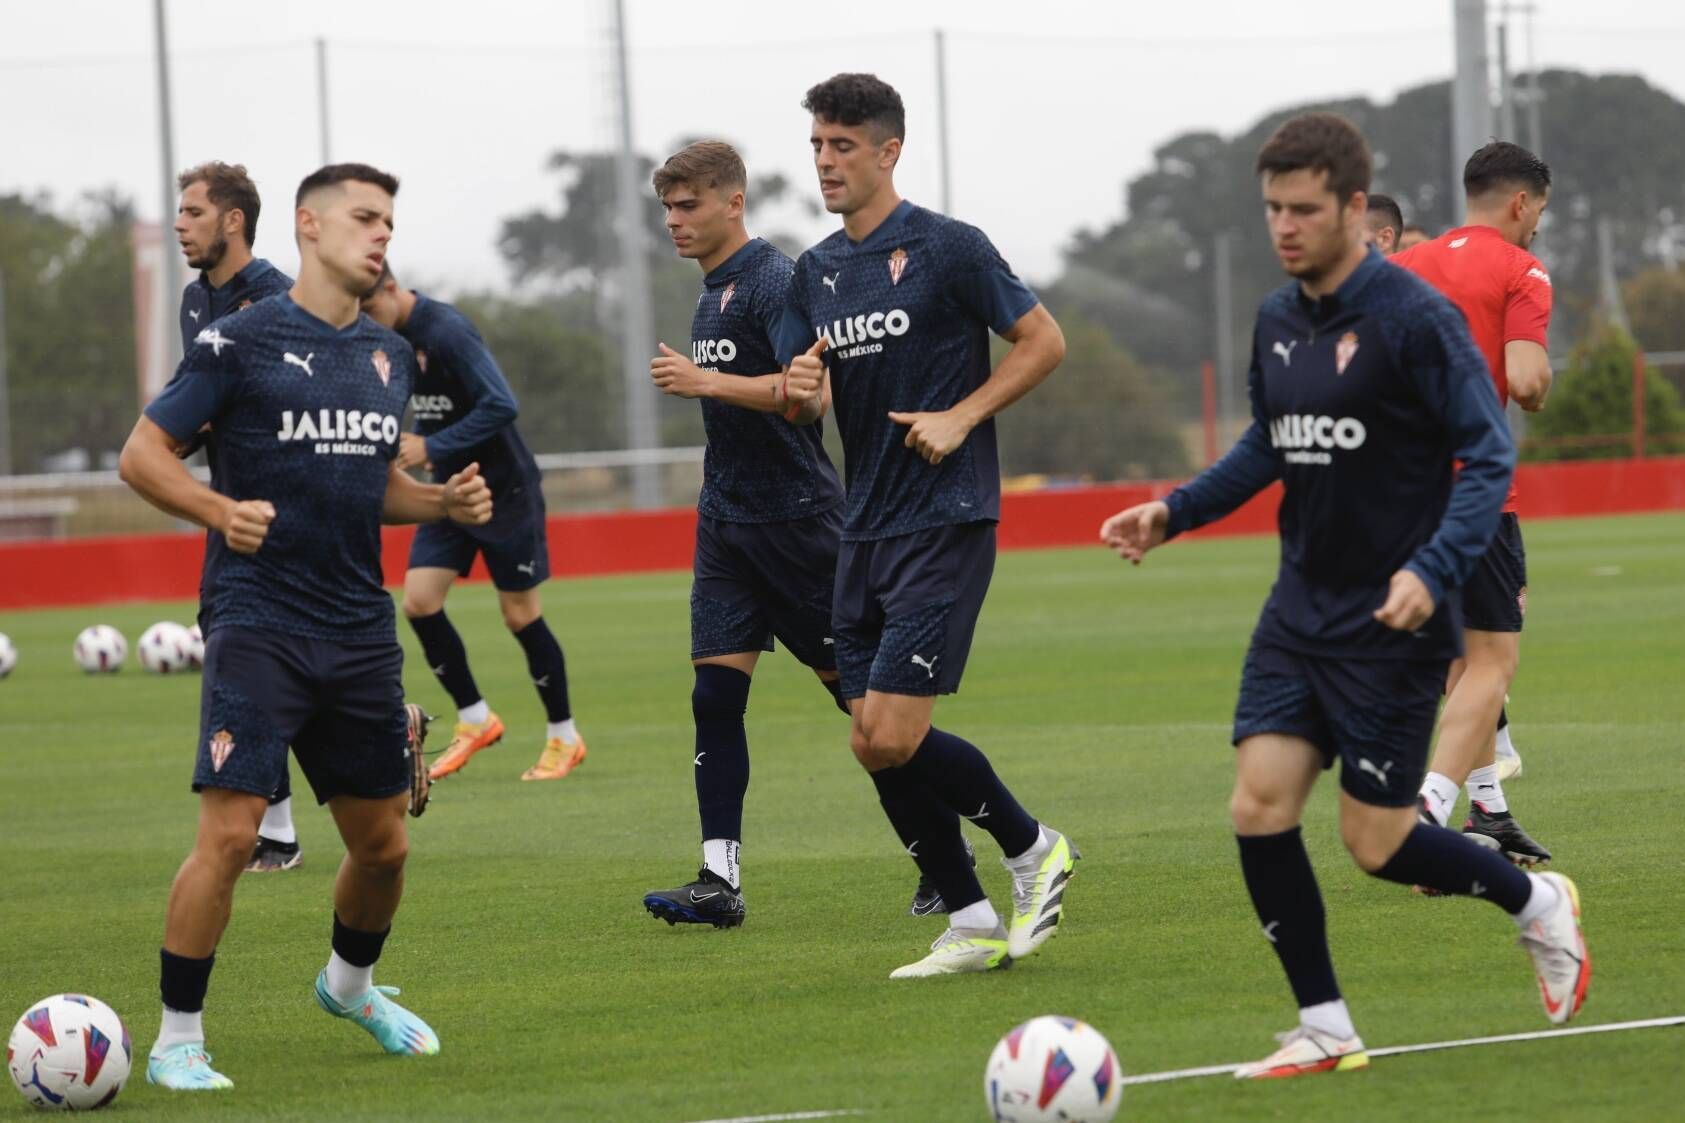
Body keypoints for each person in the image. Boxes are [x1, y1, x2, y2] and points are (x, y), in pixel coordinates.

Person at [1099, 113, 1588, 1078]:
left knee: (1378, 842)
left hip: (1396, 618)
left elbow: (1488, 453)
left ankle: (1538, 905)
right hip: (1299, 610)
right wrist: (1175, 510)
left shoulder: (1414, 318)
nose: (1284, 226)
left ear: (1356, 210)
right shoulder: (1279, 320)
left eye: (1305, 209)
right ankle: (1324, 1022)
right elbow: (1267, 442)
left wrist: (1433, 567)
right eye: (1273, 208)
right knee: (1257, 803)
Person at [119, 163, 493, 1091]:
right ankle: (176, 1037)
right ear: (309, 227)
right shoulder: (236, 341)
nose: (381, 236)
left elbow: (371, 485)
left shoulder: (389, 357)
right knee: (234, 835)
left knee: (383, 846)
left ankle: (349, 985)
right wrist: (217, 513)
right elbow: (141, 453)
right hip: (257, 618)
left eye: (389, 222)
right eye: (365, 218)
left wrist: (438, 497)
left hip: (358, 627)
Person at [776, 74, 1077, 978]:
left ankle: (1032, 849)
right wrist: (798, 394)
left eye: (841, 145)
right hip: (861, 527)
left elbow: (1043, 340)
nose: (825, 162)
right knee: (868, 737)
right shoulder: (813, 269)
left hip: (944, 518)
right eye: (817, 146)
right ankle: (971, 917)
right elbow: (804, 391)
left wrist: (962, 414)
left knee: (894, 734)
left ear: (887, 150)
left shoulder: (948, 248)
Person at [1392, 141, 1554, 862]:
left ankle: (1486, 811)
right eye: (1539, 211)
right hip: (1475, 490)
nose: (1536, 226)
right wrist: (1538, 380)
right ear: (1520, 202)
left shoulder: (1401, 267)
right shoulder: (1521, 269)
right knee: (1492, 664)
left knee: (1459, 664)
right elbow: (1524, 380)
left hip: (1397, 491)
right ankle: (1425, 812)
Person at [362, 264, 586, 784]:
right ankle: (476, 719)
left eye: (370, 309)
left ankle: (564, 736)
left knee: (519, 614)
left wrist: (430, 445)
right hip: (450, 491)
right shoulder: (388, 341)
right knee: (419, 601)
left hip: (503, 490)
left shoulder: (447, 330)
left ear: (393, 289)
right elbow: (433, 407)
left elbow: (502, 404)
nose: (366, 321)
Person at [172, 161, 305, 874]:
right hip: (230, 512)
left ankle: (382, 731)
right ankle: (277, 832)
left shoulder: (280, 298)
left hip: (292, 510)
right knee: (233, 652)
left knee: (263, 656)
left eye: (192, 211)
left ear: (232, 221)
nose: (178, 223)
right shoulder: (197, 300)